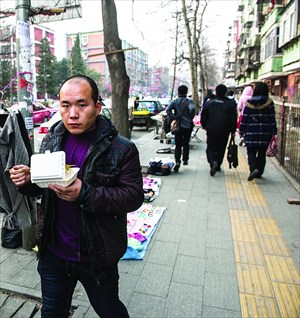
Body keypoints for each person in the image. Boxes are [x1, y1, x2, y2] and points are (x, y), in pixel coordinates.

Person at [9, 75, 144, 317]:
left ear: (97, 107)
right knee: (52, 312)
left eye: (82, 105)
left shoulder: (122, 148)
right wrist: (28, 181)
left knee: (110, 310)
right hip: (53, 252)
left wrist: (85, 193)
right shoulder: (52, 140)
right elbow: (44, 188)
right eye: (65, 105)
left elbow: (133, 196)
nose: (73, 113)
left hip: (96, 256)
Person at [239, 82, 277, 181]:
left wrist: (241, 130)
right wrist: (274, 131)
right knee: (261, 153)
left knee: (251, 152)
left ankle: (253, 169)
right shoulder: (269, 103)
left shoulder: (249, 102)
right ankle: (259, 171)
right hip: (265, 132)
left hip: (251, 132)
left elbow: (245, 118)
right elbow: (272, 118)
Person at [201, 84, 237, 176]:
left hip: (211, 129)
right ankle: (218, 164)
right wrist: (233, 131)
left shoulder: (209, 103)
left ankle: (212, 161)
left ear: (216, 92)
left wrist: (204, 126)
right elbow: (233, 118)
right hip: (225, 130)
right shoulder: (231, 103)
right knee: (221, 147)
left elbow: (203, 116)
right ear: (225, 92)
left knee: (211, 147)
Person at [166, 85, 195, 172]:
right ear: (186, 92)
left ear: (178, 92)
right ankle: (185, 159)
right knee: (186, 143)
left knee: (178, 144)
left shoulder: (174, 101)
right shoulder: (190, 102)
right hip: (187, 126)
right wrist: (190, 117)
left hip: (177, 127)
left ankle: (177, 161)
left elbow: (168, 110)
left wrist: (174, 117)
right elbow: (192, 109)